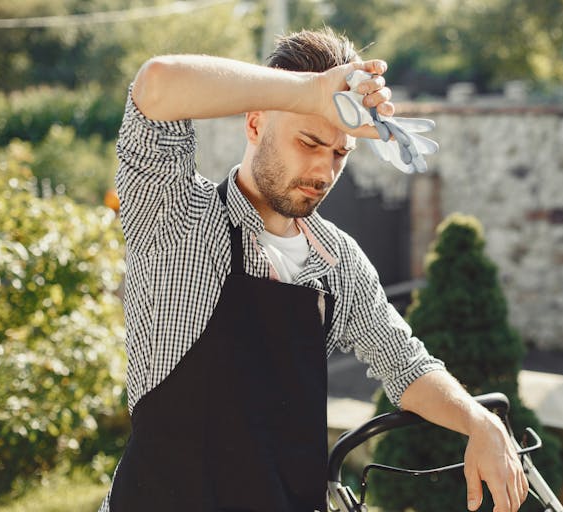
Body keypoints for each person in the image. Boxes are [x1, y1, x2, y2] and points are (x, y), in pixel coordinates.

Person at [99, 28, 527, 512]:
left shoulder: (337, 260)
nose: (324, 172)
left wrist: (478, 421)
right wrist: (313, 93)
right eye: (309, 141)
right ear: (256, 123)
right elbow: (156, 85)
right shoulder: (175, 215)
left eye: (340, 153)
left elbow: (405, 364)